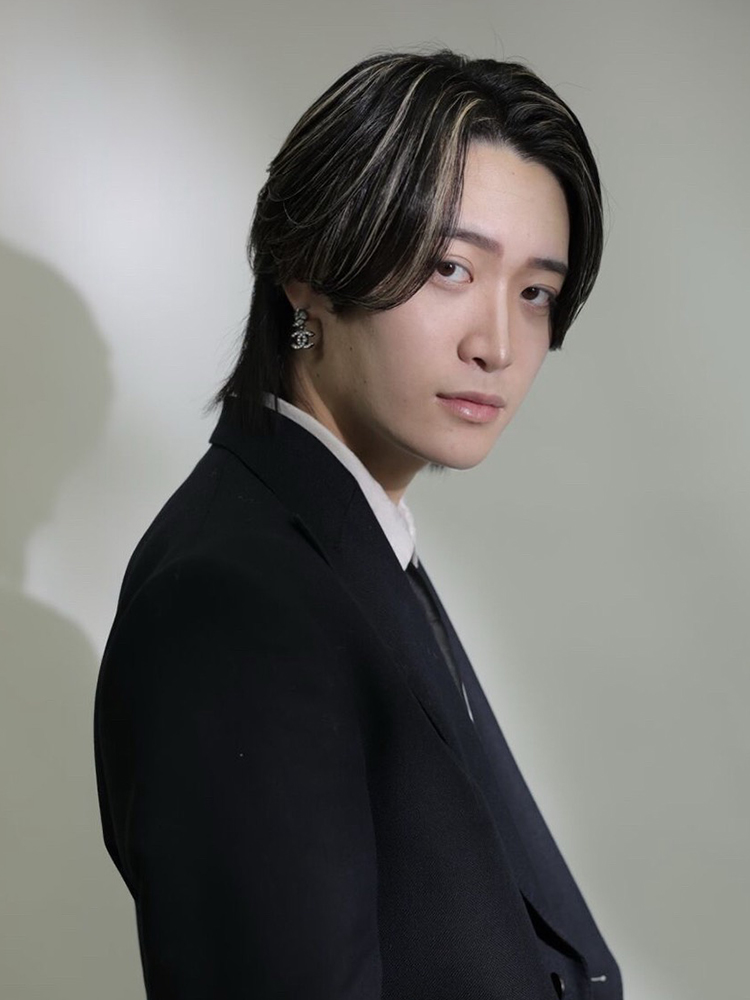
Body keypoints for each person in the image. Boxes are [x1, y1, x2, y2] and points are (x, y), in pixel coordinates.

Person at [94, 49, 621, 999]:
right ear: (306, 271)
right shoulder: (235, 602)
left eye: (534, 292)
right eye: (450, 268)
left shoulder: (349, 549)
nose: (498, 344)